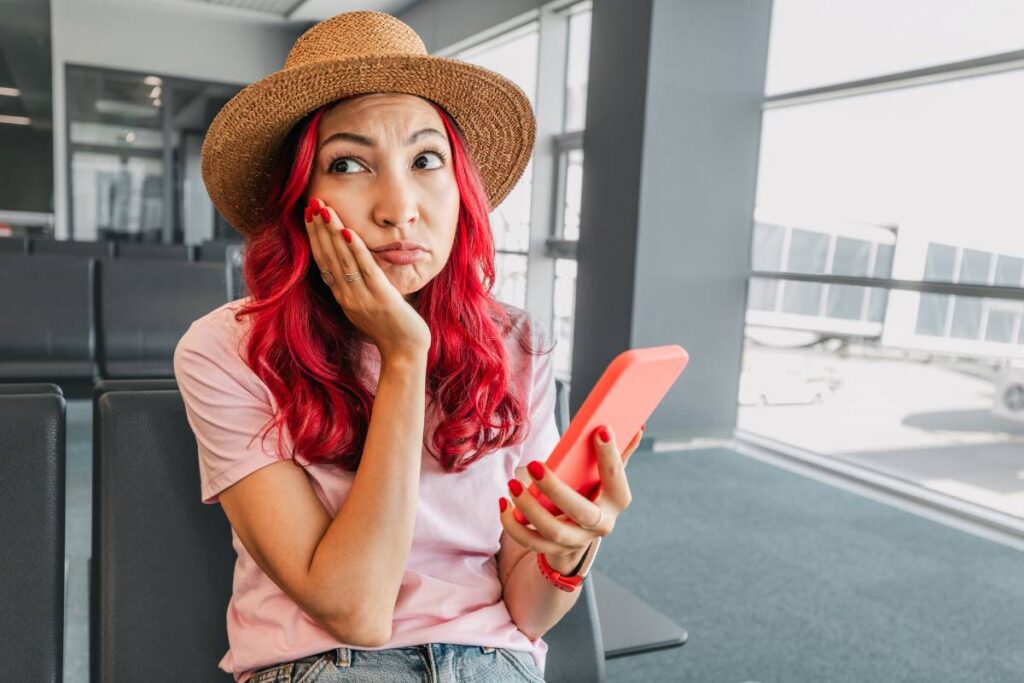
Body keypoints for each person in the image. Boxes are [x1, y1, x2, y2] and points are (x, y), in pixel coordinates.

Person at [173, 10, 643, 683]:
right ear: (299, 200)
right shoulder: (226, 348)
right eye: (349, 163)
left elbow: (528, 611)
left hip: (494, 661)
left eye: (426, 159)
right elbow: (354, 609)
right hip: (323, 663)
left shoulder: (517, 345)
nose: (399, 207)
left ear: (460, 188)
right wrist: (403, 356)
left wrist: (567, 550)